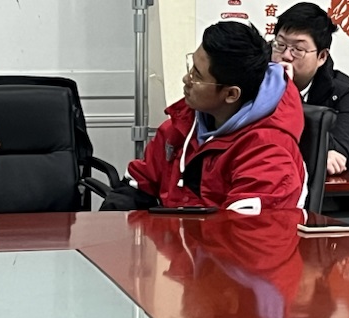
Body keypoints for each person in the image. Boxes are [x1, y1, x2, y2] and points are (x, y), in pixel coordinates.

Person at [100, 21, 306, 211]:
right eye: (191, 67)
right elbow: (138, 185)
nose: (186, 79)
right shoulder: (182, 124)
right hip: (176, 237)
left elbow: (243, 233)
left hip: (215, 239)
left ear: (231, 94)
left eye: (197, 76)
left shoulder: (269, 154)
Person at [272, 2, 349, 174]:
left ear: (321, 56)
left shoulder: (344, 90)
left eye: (298, 49)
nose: (285, 56)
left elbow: (342, 149)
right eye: (280, 45)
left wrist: (290, 94)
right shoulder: (259, 82)